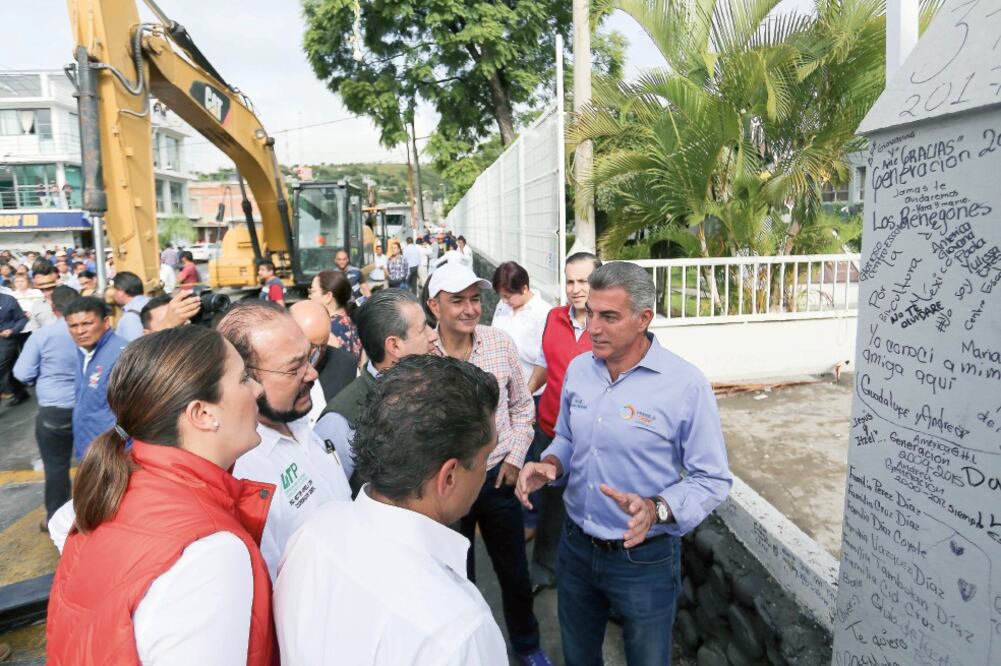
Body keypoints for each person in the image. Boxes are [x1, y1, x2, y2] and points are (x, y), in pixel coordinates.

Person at [515, 262, 733, 666]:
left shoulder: (685, 384)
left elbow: (712, 478)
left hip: (644, 560)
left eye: (609, 317)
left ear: (643, 319)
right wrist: (550, 465)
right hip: (576, 547)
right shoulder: (580, 370)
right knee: (579, 657)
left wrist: (657, 509)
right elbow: (565, 437)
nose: (593, 328)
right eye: (591, 313)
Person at [45, 327, 276, 666]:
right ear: (202, 414)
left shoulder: (115, 487)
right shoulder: (209, 554)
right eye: (243, 379)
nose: (258, 389)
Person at [275, 355, 508, 666]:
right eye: (485, 457)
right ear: (448, 477)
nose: (485, 471)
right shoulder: (459, 630)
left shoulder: (313, 532)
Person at [426, 263, 549, 665]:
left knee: (514, 572)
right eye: (457, 300)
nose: (469, 309)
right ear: (435, 307)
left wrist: (515, 457)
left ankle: (527, 646)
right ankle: (469, 652)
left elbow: (521, 408)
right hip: (443, 484)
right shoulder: (423, 356)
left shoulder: (498, 343)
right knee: (456, 576)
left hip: (496, 478)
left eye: (475, 299)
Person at [217, 300, 351, 580]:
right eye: (294, 369)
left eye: (309, 358)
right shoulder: (243, 475)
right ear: (244, 379)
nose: (313, 374)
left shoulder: (297, 417)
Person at [526, 251, 601, 590]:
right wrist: (524, 395)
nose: (575, 288)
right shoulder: (554, 318)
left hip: (593, 439)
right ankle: (544, 569)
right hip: (549, 429)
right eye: (570, 281)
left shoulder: (610, 326)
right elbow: (545, 365)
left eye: (583, 280)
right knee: (551, 507)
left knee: (595, 511)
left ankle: (598, 584)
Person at [314, 289, 439, 488]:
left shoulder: (430, 384)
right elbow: (331, 496)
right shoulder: (341, 422)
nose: (434, 336)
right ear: (395, 346)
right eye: (424, 329)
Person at [13, 286, 81, 527]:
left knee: (56, 467)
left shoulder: (43, 336)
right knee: (95, 464)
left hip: (54, 409)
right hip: (87, 407)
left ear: (54, 309)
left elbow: (22, 373)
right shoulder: (97, 333)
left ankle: (57, 519)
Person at [65, 297, 128, 460]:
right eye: (73, 326)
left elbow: (136, 412)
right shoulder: (83, 351)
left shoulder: (122, 355)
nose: (80, 331)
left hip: (113, 454)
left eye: (87, 324)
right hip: (90, 450)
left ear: (106, 322)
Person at [289, 300, 358, 428]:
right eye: (309, 346)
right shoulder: (266, 370)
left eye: (322, 346)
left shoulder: (347, 365)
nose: (314, 355)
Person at [309, 269, 361, 357]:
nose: (309, 296)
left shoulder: (326, 332)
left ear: (328, 297)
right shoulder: (351, 321)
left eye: (313, 291)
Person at [0, 286, 29, 407]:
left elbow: (22, 318)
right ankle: (20, 392)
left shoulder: (8, 300)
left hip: (6, 339)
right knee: (11, 366)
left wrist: (12, 330)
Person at [111, 271, 150, 342]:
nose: (113, 294)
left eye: (114, 290)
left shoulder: (130, 317)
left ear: (121, 291)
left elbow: (135, 347)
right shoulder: (152, 301)